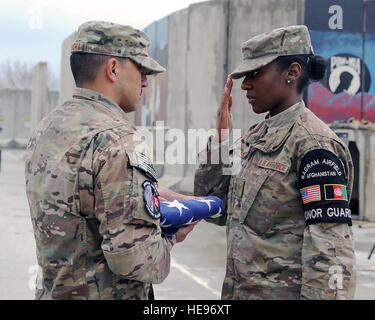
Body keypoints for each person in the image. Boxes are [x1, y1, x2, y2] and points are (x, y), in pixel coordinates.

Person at [25, 20, 196, 300]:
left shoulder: (48, 127)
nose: (145, 81)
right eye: (141, 69)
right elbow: (135, 260)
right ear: (113, 69)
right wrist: (169, 236)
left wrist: (148, 198)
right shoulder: (117, 138)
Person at [194, 25, 356, 300]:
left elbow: (331, 254)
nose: (245, 84)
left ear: (292, 72)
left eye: (255, 73)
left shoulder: (314, 147)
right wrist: (221, 144)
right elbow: (212, 205)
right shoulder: (256, 137)